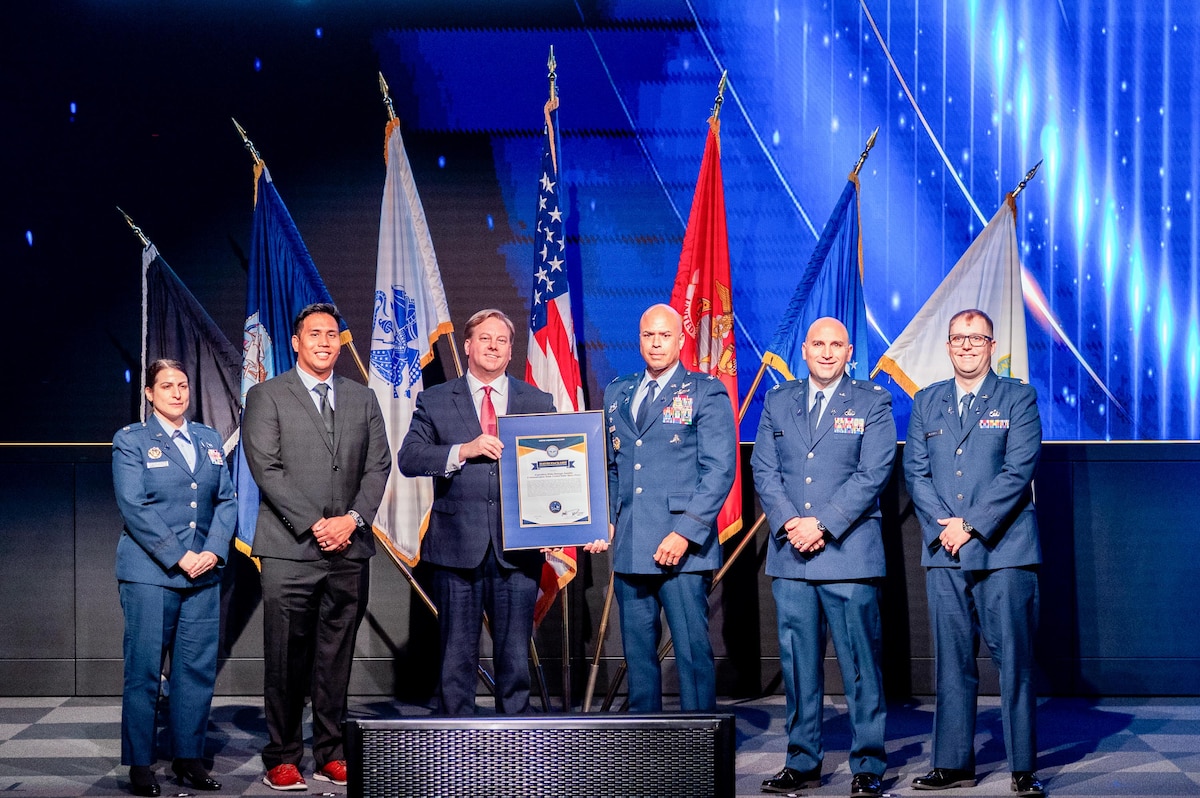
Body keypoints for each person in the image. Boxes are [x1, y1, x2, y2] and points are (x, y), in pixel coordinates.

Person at [242, 303, 391, 791]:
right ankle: (283, 756)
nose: (325, 342)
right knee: (286, 658)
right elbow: (266, 468)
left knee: (336, 657)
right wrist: (316, 524)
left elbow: (378, 466)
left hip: (349, 550)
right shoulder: (266, 395)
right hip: (289, 551)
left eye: (331, 334)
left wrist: (351, 520)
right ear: (296, 342)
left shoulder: (363, 397)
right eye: (314, 334)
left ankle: (330, 752)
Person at [904, 309, 1045, 797]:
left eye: (976, 338)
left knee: (1015, 662)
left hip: (1004, 551)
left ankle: (1023, 767)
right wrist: (947, 529)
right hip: (944, 552)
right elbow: (916, 473)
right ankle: (952, 763)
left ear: (991, 345)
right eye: (958, 338)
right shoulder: (926, 401)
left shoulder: (1018, 397)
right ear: (947, 346)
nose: (966, 345)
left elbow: (1018, 470)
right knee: (952, 662)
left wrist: (970, 525)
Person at [751, 318, 895, 797]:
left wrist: (823, 524)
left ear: (849, 352)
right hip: (791, 555)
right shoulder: (778, 399)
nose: (827, 352)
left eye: (836, 345)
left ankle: (868, 763)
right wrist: (792, 522)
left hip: (848, 553)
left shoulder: (873, 400)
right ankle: (802, 761)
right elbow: (763, 469)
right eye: (818, 344)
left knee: (859, 666)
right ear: (804, 350)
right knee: (798, 666)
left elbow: (874, 471)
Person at [398, 308, 555, 715]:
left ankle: (515, 740)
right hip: (455, 549)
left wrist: (559, 523)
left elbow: (557, 469)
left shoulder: (537, 401)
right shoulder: (435, 399)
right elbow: (410, 458)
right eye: (485, 338)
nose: (493, 347)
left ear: (510, 351)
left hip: (517, 550)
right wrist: (462, 450)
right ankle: (457, 741)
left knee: (515, 659)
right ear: (467, 345)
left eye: (502, 341)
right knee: (456, 660)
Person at [602, 303, 737, 712]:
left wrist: (685, 533)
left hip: (682, 548)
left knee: (692, 655)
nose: (656, 343)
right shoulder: (617, 391)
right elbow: (612, 466)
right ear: (639, 339)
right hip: (630, 544)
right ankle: (647, 740)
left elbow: (720, 471)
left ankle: (699, 742)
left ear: (681, 340)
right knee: (638, 658)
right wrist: (606, 520)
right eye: (649, 335)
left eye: (665, 336)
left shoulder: (705, 390)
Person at [111, 359, 235, 796]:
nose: (178, 393)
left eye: (182, 385)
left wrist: (213, 551)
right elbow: (134, 505)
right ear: (149, 393)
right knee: (144, 671)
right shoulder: (132, 440)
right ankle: (140, 763)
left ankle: (188, 758)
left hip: (203, 574)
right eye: (166, 386)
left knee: (195, 671)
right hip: (150, 573)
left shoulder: (208, 438)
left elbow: (226, 500)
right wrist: (179, 555)